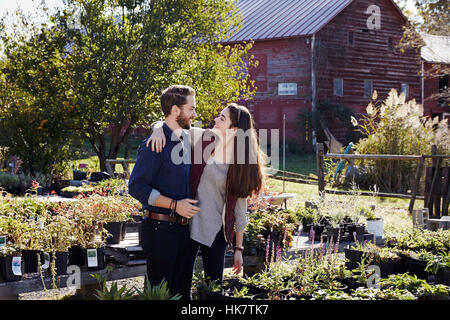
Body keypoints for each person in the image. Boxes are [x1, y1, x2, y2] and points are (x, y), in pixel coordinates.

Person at [147, 103, 265, 298]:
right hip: (188, 224)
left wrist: (238, 248)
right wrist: (158, 130)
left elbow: (240, 210)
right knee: (180, 287)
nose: (215, 121)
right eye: (218, 116)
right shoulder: (205, 137)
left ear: (234, 130)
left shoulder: (241, 163)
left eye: (222, 119)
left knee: (213, 289)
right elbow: (170, 125)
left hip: (216, 231)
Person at [128, 85, 201, 299]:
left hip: (184, 232)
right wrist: (174, 205)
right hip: (160, 232)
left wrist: (158, 125)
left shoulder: (185, 140)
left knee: (182, 296)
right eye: (191, 108)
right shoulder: (153, 145)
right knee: (159, 296)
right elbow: (136, 186)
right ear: (176, 110)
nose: (195, 114)